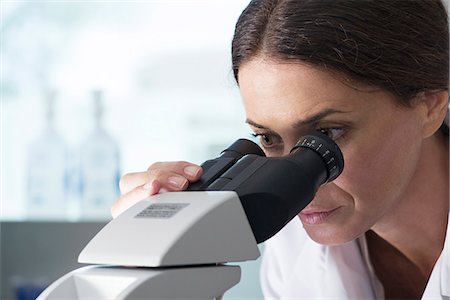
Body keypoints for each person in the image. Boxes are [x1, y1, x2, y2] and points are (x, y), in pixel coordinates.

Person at [112, 0, 449, 298]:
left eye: (326, 134)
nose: (297, 183)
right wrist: (172, 271)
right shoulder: (293, 246)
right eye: (268, 138)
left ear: (430, 105)